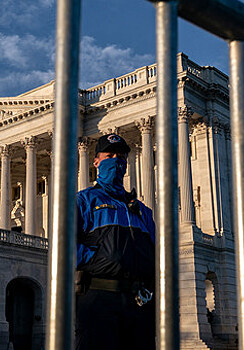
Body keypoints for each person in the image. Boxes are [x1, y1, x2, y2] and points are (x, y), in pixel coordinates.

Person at [75, 133, 156, 349]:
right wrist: (99, 260)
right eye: (109, 155)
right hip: (99, 297)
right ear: (96, 162)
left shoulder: (142, 210)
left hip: (139, 300)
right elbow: (63, 247)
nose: (116, 161)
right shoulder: (84, 200)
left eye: (121, 157)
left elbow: (156, 252)